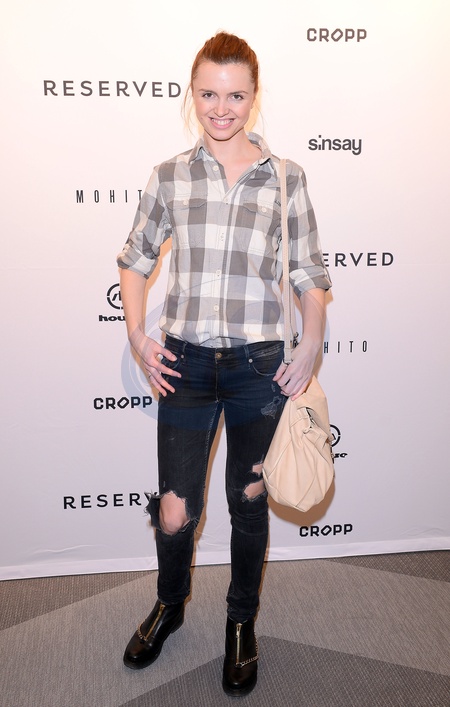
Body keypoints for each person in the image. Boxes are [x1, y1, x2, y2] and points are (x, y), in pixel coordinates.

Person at [117, 31, 331, 697]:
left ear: (254, 96)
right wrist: (137, 335)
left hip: (258, 368)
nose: (221, 108)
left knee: (248, 499)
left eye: (235, 95)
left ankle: (241, 622)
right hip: (183, 363)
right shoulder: (169, 175)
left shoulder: (287, 177)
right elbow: (134, 260)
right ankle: (170, 603)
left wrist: (311, 341)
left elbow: (309, 273)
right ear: (193, 93)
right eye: (209, 94)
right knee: (175, 508)